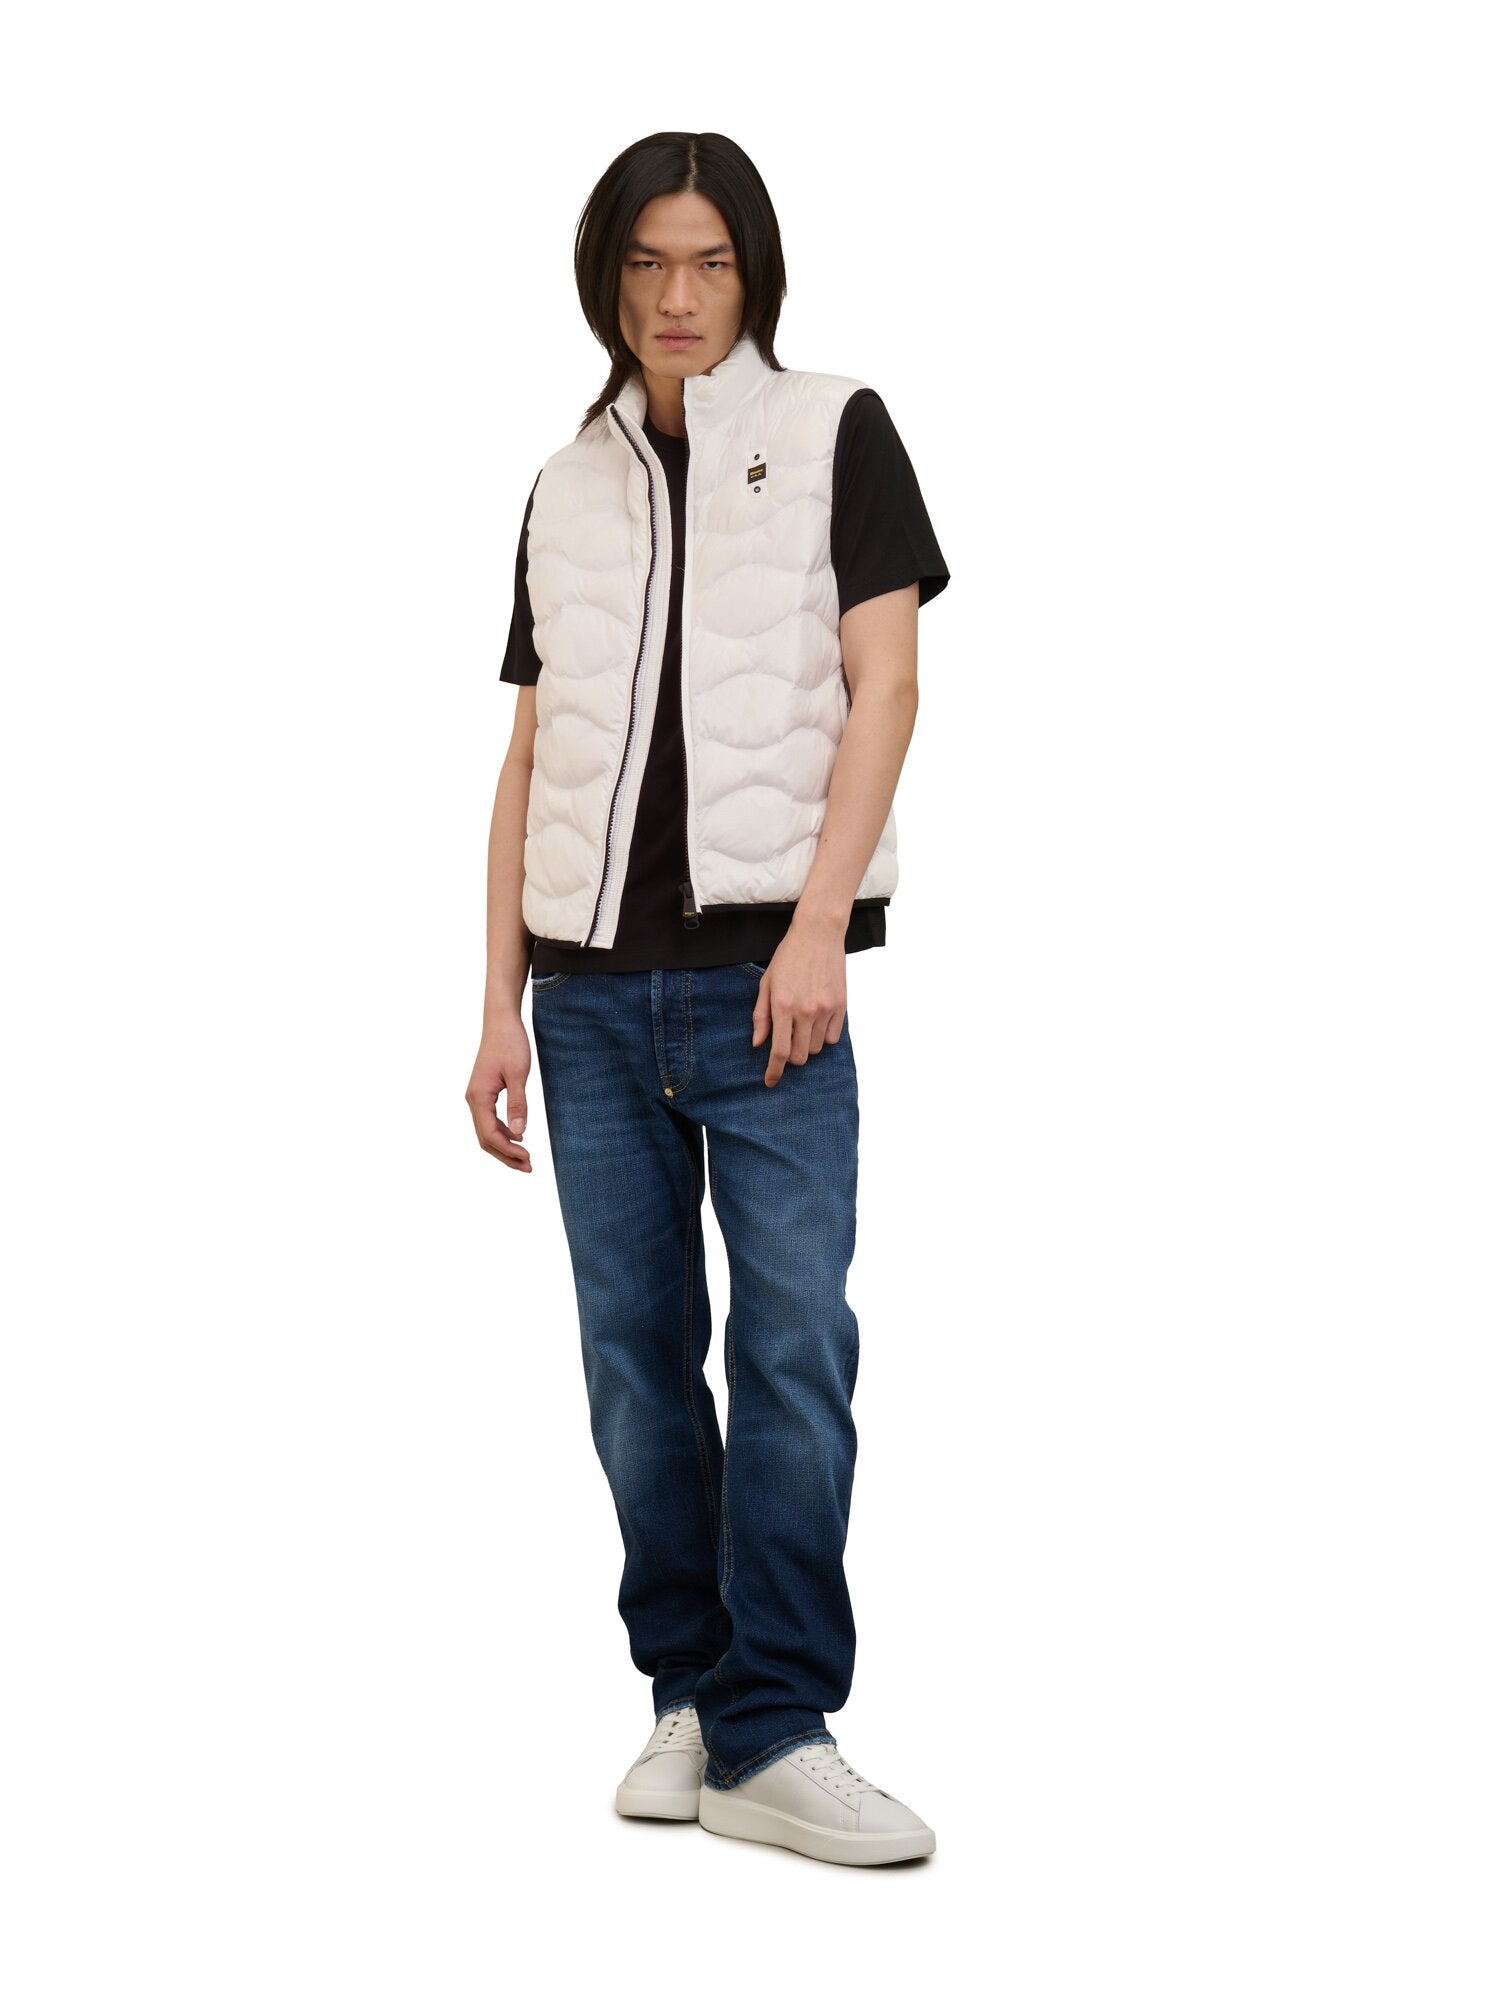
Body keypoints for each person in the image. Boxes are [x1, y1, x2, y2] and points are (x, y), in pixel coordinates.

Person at [467, 131, 950, 1868]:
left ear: (755, 273)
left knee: (795, 1342)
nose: (678, 296)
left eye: (711, 262)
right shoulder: (561, 486)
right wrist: (497, 1003)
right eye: (647, 262)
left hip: (768, 990)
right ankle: (690, 1690)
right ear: (607, 275)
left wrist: (818, 927)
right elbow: (531, 752)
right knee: (635, 1365)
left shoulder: (835, 430)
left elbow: (887, 687)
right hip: (589, 1005)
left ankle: (777, 1723)